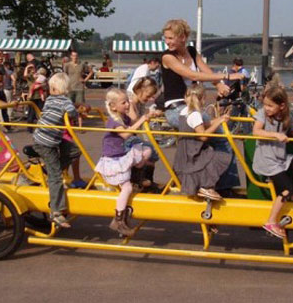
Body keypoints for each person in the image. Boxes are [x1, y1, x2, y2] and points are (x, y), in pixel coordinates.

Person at [160, 18, 243, 193]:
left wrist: (219, 85)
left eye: (170, 38)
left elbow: (205, 71)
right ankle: (222, 185)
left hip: (192, 108)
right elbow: (193, 75)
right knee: (222, 140)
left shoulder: (190, 50)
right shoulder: (167, 57)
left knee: (210, 142)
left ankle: (208, 181)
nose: (167, 42)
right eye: (165, 38)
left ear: (183, 37)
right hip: (177, 110)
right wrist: (227, 77)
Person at [252, 86, 293, 239]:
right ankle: (271, 221)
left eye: (270, 105)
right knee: (286, 190)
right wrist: (275, 135)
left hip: (281, 158)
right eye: (265, 104)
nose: (266, 108)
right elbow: (256, 131)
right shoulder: (262, 115)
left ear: (282, 106)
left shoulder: (287, 117)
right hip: (267, 161)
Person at [95, 88, 153, 236]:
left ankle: (136, 177)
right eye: (124, 102)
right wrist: (142, 119)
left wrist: (148, 116)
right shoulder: (113, 121)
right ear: (113, 106)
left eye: (127, 101)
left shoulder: (123, 117)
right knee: (126, 189)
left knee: (146, 151)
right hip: (113, 161)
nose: (127, 104)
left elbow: (134, 123)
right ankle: (118, 220)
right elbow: (127, 134)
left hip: (121, 156)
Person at [33, 73, 80, 228]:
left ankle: (49, 169)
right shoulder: (65, 101)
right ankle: (56, 211)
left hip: (50, 139)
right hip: (46, 142)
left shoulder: (49, 99)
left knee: (74, 151)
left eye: (52, 87)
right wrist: (77, 111)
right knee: (56, 176)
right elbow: (72, 113)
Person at [173, 83, 232, 200]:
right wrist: (219, 123)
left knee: (210, 153)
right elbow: (203, 136)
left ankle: (206, 186)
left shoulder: (184, 111)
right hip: (192, 153)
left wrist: (219, 119)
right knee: (218, 155)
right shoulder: (195, 114)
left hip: (185, 151)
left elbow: (202, 125)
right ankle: (206, 186)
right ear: (203, 99)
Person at [127, 77, 161, 191]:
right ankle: (137, 179)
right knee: (148, 149)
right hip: (125, 138)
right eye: (148, 95)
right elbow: (134, 123)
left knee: (153, 151)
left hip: (132, 137)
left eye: (152, 96)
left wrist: (151, 114)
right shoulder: (130, 103)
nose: (150, 98)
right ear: (139, 90)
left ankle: (147, 180)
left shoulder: (140, 104)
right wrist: (146, 116)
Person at [26, 68, 48, 133]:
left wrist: (41, 85)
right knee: (31, 113)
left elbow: (46, 86)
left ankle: (42, 128)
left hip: (39, 98)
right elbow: (32, 86)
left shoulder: (41, 78)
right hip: (32, 98)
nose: (33, 72)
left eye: (34, 70)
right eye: (32, 71)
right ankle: (30, 128)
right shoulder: (30, 78)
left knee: (40, 113)